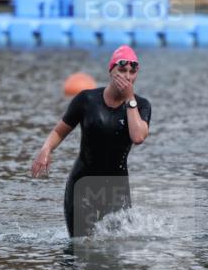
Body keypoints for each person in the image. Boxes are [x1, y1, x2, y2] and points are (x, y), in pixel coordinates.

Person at [31, 46, 151, 237]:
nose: (127, 76)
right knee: (79, 248)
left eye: (132, 72)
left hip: (116, 190)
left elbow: (138, 137)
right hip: (82, 187)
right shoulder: (86, 100)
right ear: (110, 70)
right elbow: (59, 131)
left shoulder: (141, 105)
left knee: (115, 254)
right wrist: (46, 149)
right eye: (121, 70)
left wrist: (130, 98)